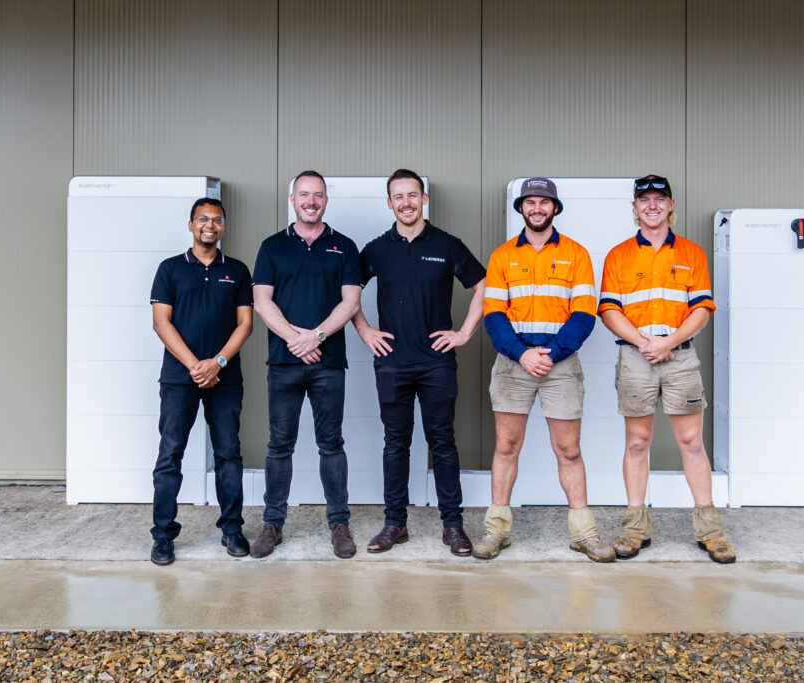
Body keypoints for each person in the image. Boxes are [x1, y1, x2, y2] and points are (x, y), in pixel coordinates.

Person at [598, 174, 736, 564]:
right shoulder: (619, 255)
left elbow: (702, 309)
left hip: (680, 359)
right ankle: (635, 528)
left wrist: (668, 343)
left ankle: (711, 531)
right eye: (645, 200)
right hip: (636, 358)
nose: (652, 206)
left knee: (691, 443)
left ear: (671, 205)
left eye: (660, 199)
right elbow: (609, 309)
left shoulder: (691, 253)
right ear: (635, 208)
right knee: (637, 443)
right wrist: (646, 344)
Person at [476, 177, 614, 562]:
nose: (537, 208)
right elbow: (494, 315)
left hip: (560, 364)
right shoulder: (503, 256)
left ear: (555, 208)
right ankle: (496, 530)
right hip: (513, 362)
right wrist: (522, 355)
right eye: (530, 202)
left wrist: (550, 353)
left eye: (544, 202)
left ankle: (584, 534)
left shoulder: (577, 255)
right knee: (507, 446)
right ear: (520, 208)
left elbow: (584, 314)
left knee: (568, 450)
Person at [353, 169, 486, 556]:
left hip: (436, 364)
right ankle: (395, 524)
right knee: (396, 444)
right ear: (389, 203)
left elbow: (484, 286)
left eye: (413, 195)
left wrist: (462, 333)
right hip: (392, 362)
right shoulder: (377, 249)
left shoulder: (446, 244)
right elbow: (348, 293)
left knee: (442, 442)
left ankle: (453, 526)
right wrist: (365, 331)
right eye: (398, 197)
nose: (406, 203)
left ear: (424, 199)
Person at [250, 170, 362, 559]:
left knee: (331, 445)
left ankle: (339, 524)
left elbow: (350, 302)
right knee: (279, 445)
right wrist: (295, 340)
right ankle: (272, 525)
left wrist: (315, 337)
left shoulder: (344, 246)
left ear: (326, 200)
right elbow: (262, 301)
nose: (311, 201)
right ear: (292, 199)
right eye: (304, 194)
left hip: (329, 364)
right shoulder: (271, 247)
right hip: (283, 363)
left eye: (318, 195)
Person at [149, 197, 254, 566]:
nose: (210, 225)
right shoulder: (170, 269)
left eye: (217, 220)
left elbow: (246, 324)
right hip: (180, 378)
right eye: (203, 219)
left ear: (223, 227)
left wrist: (218, 362)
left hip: (225, 378)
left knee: (228, 455)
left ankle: (232, 529)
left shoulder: (238, 271)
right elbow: (161, 322)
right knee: (170, 455)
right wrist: (197, 366)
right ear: (191, 225)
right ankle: (163, 536)